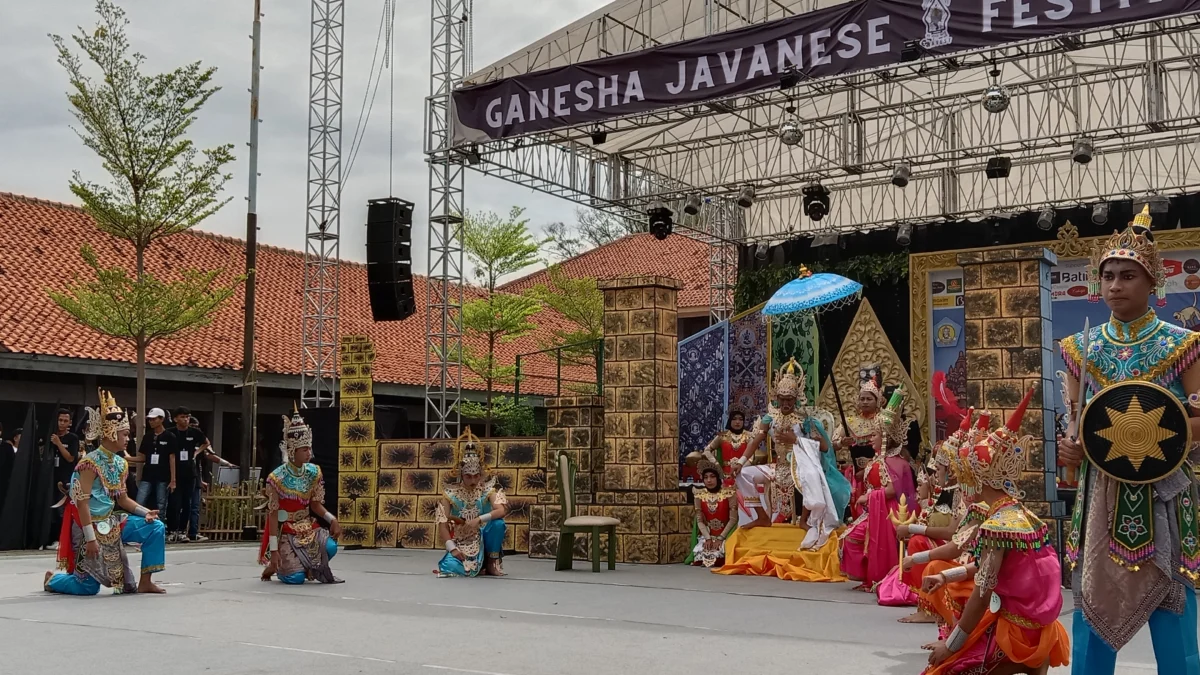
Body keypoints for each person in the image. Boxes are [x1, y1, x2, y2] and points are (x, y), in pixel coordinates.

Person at [1058, 205, 1200, 675]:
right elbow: (1075, 424)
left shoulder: (1183, 345)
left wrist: (1146, 440)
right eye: (1107, 276)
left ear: (1152, 282)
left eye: (1127, 275)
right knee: (1093, 612)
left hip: (1165, 494)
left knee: (1174, 617)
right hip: (1100, 498)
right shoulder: (1082, 347)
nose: (1115, 285)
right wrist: (1073, 449)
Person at [922, 387, 1070, 674]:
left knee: (943, 671)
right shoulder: (1024, 516)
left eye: (965, 477)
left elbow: (982, 590)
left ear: (977, 481)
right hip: (1042, 626)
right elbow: (988, 569)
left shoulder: (994, 526)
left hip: (1015, 632)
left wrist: (951, 646)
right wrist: (945, 574)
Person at [43, 389, 167, 595]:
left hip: (112, 522)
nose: (128, 439)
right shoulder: (88, 464)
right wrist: (91, 539)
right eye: (125, 434)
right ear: (110, 433)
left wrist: (146, 512)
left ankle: (146, 581)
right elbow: (82, 504)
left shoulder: (120, 463)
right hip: (87, 526)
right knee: (87, 588)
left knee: (155, 527)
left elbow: (123, 499)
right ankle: (54, 580)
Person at [731, 358, 850, 551]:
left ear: (796, 398)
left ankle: (804, 520)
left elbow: (823, 446)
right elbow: (755, 440)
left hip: (800, 466)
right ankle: (761, 516)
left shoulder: (805, 421)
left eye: (789, 399)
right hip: (777, 466)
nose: (785, 403)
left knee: (811, 476)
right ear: (776, 397)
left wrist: (795, 440)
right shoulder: (770, 418)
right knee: (743, 474)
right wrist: (741, 461)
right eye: (782, 398)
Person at [839, 384, 919, 591]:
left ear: (884, 439)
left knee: (855, 537)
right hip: (874, 508)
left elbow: (892, 490)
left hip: (888, 511)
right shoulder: (880, 459)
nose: (871, 438)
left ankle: (878, 577)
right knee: (850, 537)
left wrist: (870, 497)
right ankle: (869, 577)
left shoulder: (893, 462)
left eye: (875, 435)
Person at [259, 410, 342, 584]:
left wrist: (331, 518)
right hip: (285, 530)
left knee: (331, 547)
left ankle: (307, 567)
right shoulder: (276, 478)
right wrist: (273, 550)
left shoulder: (314, 472)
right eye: (304, 449)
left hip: (307, 526)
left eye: (309, 448)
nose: (309, 453)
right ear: (292, 450)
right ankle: (277, 567)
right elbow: (273, 515)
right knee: (295, 579)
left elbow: (315, 504)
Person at [436, 430, 508, 577]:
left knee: (498, 523)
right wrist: (452, 548)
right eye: (468, 477)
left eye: (476, 476)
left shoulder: (487, 490)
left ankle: (491, 561)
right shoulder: (450, 494)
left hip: (483, 537)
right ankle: (474, 564)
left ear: (480, 475)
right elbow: (442, 524)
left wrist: (479, 519)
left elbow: (501, 510)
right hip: (461, 541)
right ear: (461, 475)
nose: (473, 481)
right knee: (449, 566)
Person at [688, 462, 737, 567]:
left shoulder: (729, 493)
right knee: (700, 556)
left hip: (725, 535)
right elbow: (699, 520)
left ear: (718, 478)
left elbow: (733, 519)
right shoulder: (699, 495)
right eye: (705, 477)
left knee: (722, 556)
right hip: (707, 536)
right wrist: (708, 538)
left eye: (712, 476)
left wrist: (720, 538)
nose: (709, 480)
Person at [167, 407, 205, 542]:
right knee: (174, 503)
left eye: (187, 417)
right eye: (182, 417)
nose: (186, 419)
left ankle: (183, 531)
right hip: (174, 472)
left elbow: (206, 443)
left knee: (187, 504)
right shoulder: (170, 433)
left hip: (190, 472)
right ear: (175, 418)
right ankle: (172, 530)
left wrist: (196, 452)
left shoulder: (194, 432)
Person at [47, 409, 79, 549]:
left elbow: (70, 458)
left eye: (65, 421)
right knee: (51, 510)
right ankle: (51, 538)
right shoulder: (50, 435)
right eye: (60, 420)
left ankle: (64, 540)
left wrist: (58, 443)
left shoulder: (72, 438)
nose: (62, 423)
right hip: (50, 477)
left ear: (70, 423)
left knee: (62, 511)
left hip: (65, 479)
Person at [136, 408, 176, 516]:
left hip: (163, 476)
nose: (151, 421)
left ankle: (160, 528)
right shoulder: (148, 436)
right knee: (139, 501)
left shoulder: (170, 436)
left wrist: (173, 480)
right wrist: (125, 458)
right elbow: (142, 457)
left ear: (161, 419)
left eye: (154, 419)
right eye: (150, 419)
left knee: (161, 504)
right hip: (147, 475)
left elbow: (172, 458)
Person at [698, 410, 751, 484]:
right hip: (725, 475)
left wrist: (741, 467)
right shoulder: (722, 436)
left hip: (744, 475)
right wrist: (716, 464)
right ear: (730, 420)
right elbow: (707, 450)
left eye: (740, 419)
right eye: (734, 419)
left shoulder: (749, 436)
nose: (737, 422)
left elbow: (751, 456)